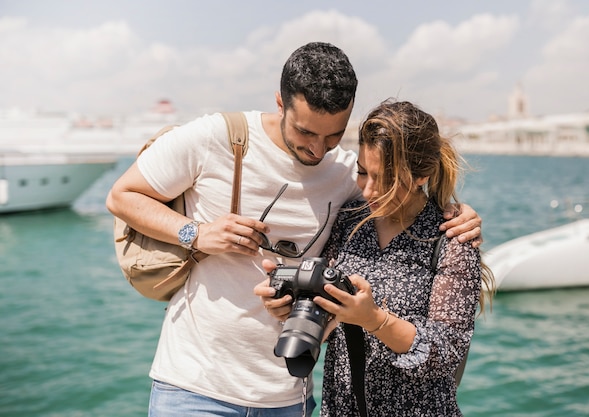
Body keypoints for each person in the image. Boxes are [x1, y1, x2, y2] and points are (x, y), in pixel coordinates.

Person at [107, 42, 483, 417]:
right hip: (196, 385)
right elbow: (122, 196)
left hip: (289, 395)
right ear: (280, 103)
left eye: (333, 136)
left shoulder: (348, 178)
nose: (318, 150)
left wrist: (453, 211)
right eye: (306, 133)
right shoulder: (215, 137)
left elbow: (403, 192)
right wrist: (197, 233)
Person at [259, 99, 495, 417]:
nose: (368, 190)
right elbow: (328, 320)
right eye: (361, 172)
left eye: (385, 179)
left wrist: (374, 320)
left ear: (421, 175)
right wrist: (289, 308)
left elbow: (448, 352)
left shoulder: (452, 239)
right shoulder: (347, 221)